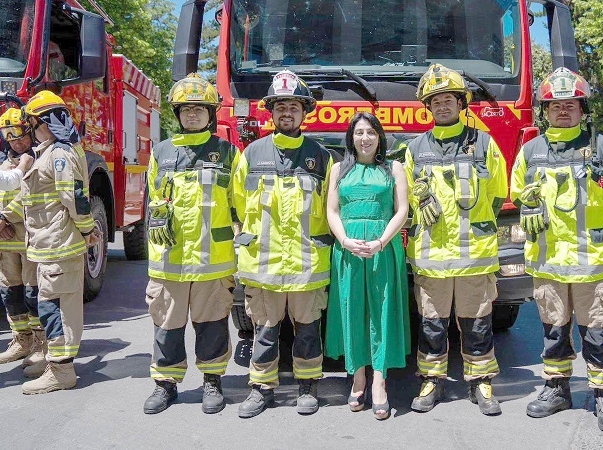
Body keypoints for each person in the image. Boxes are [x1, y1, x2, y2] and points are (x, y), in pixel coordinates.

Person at [510, 67, 603, 434]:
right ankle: (556, 389)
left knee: (596, 333)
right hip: (548, 262)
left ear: (583, 109)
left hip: (590, 263)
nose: (562, 111)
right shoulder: (530, 151)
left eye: (570, 104)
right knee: (553, 331)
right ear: (544, 111)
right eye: (555, 105)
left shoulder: (601, 147)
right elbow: (517, 191)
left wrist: (597, 226)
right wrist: (528, 206)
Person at [404, 63, 508, 416]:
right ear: (427, 108)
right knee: (432, 324)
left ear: (462, 103)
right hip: (431, 258)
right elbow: (404, 202)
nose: (442, 105)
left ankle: (480, 382)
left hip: (474, 257)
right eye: (435, 101)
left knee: (477, 323)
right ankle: (431, 380)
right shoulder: (415, 148)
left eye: (449, 98)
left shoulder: (483, 142)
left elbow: (497, 194)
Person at [234, 70, 333, 418]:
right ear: (270, 112)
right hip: (264, 267)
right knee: (264, 332)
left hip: (307, 265)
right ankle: (262, 389)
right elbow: (237, 205)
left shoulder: (321, 157)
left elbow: (330, 208)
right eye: (280, 107)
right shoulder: (250, 154)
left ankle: (308, 387)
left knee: (308, 331)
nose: (286, 113)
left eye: (293, 106)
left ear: (305, 112)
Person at [142, 73, 240, 415]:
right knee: (167, 326)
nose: (193, 115)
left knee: (212, 324)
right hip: (169, 259)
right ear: (177, 113)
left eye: (200, 109)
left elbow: (240, 204)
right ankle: (165, 384)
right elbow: (154, 202)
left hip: (214, 259)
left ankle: (212, 381)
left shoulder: (228, 153)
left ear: (211, 114)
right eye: (186, 109)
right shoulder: (161, 152)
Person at [325, 112, 410, 421]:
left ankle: (379, 382)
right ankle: (357, 376)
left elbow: (402, 210)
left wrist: (381, 242)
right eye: (359, 132)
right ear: (351, 137)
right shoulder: (338, 170)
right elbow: (331, 211)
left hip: (382, 249)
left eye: (371, 132)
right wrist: (345, 240)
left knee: (381, 313)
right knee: (352, 311)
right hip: (348, 250)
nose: (365, 138)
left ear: (379, 137)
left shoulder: (394, 168)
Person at [19, 91, 101, 395]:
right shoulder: (52, 151)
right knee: (50, 305)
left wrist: (87, 229)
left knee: (56, 308)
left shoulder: (59, 154)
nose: (30, 130)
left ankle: (62, 371)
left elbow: (75, 199)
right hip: (50, 245)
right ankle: (54, 362)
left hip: (60, 245)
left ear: (44, 122)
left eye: (32, 123)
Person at [0, 108, 46, 372]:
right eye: (9, 137)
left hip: (28, 240)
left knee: (34, 294)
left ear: (30, 133)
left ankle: (41, 345)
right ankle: (21, 340)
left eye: (19, 136)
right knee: (11, 294)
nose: (16, 142)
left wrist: (5, 218)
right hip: (4, 242)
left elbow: (32, 196)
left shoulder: (38, 162)